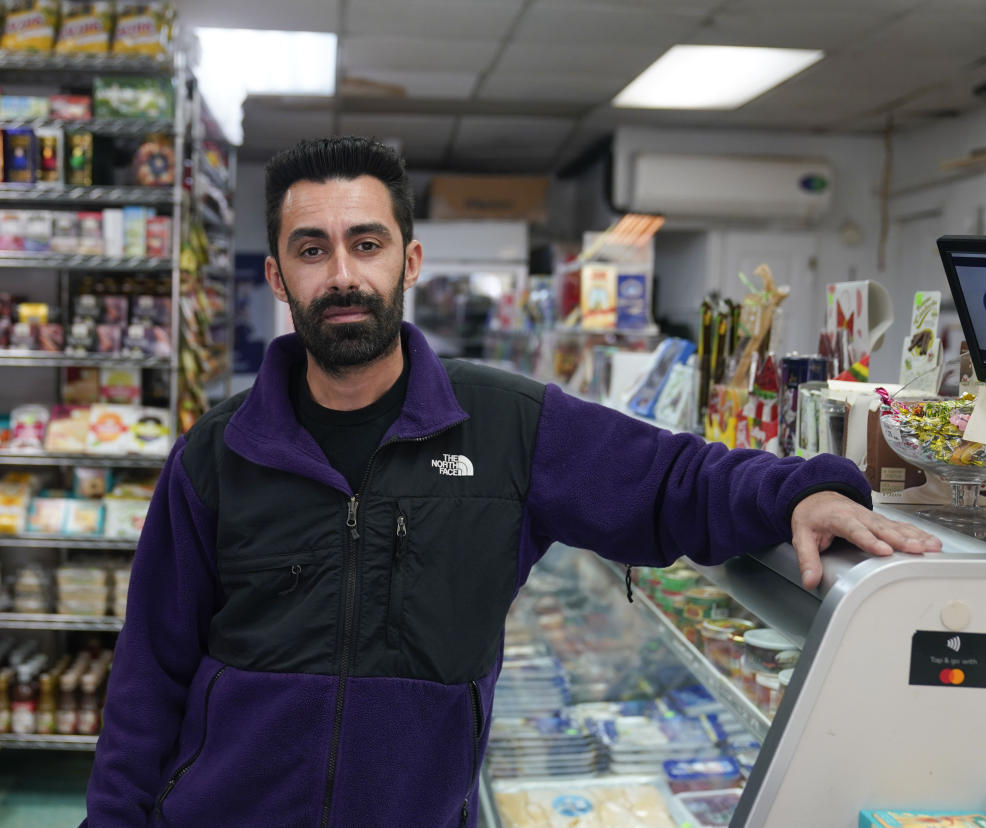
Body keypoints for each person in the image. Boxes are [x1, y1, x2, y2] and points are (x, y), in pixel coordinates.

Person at [84, 136, 941, 827]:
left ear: (409, 260)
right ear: (277, 276)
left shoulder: (506, 426)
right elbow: (149, 673)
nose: (342, 274)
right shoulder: (216, 454)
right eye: (312, 249)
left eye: (366, 243)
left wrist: (800, 491)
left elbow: (673, 478)